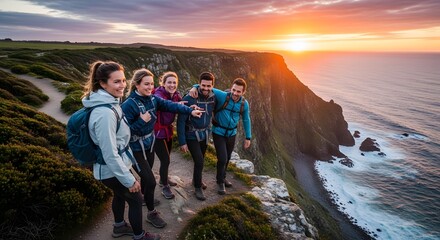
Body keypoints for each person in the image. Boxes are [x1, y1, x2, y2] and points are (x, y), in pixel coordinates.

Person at [82, 61, 160, 240]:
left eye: (124, 80)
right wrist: (129, 180)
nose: (123, 85)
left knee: (119, 195)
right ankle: (140, 236)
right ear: (102, 83)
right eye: (116, 82)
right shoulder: (105, 113)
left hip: (111, 166)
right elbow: (110, 153)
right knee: (135, 199)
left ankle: (119, 227)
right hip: (110, 169)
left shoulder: (110, 102)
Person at [121, 68, 203, 228]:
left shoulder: (153, 99)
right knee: (151, 181)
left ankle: (145, 197)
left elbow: (171, 106)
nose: (150, 87)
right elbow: (124, 132)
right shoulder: (128, 105)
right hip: (136, 149)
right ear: (137, 84)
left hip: (149, 143)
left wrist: (190, 111)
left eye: (151, 84)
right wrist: (141, 121)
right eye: (146, 84)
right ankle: (151, 213)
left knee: (147, 177)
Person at [189, 78, 251, 195]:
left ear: (243, 92)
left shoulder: (244, 104)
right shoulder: (223, 96)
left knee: (227, 158)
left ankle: (223, 176)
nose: (235, 93)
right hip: (218, 132)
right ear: (231, 88)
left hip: (232, 133)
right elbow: (205, 86)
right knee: (222, 158)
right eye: (233, 90)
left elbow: (246, 119)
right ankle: (220, 182)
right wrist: (194, 87)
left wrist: (248, 137)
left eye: (238, 91)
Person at [177, 72, 216, 201]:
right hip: (191, 135)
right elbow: (181, 120)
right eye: (203, 85)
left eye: (208, 86)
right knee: (199, 161)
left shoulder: (213, 97)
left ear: (212, 85)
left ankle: (195, 180)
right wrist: (182, 142)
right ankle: (197, 188)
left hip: (204, 134)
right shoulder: (189, 98)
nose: (206, 88)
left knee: (201, 159)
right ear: (199, 84)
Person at [153, 72, 182, 199]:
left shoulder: (176, 95)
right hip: (157, 132)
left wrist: (194, 89)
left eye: (174, 82)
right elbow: (165, 104)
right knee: (165, 159)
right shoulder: (158, 94)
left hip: (167, 131)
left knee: (167, 157)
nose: (172, 85)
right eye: (169, 82)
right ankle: (164, 186)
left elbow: (183, 104)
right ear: (163, 83)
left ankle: (163, 179)